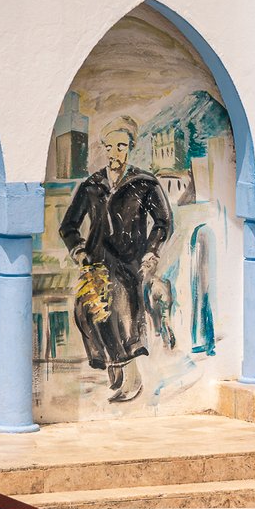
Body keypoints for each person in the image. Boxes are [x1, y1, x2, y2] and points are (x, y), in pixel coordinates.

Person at [59, 116, 175, 402]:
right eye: (110, 147)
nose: (115, 153)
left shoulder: (144, 183)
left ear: (130, 147)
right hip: (96, 263)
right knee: (89, 314)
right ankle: (115, 369)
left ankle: (131, 379)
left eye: (121, 146)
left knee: (124, 318)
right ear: (104, 148)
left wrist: (152, 251)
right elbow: (69, 226)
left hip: (129, 261)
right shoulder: (92, 185)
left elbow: (163, 221)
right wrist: (80, 251)